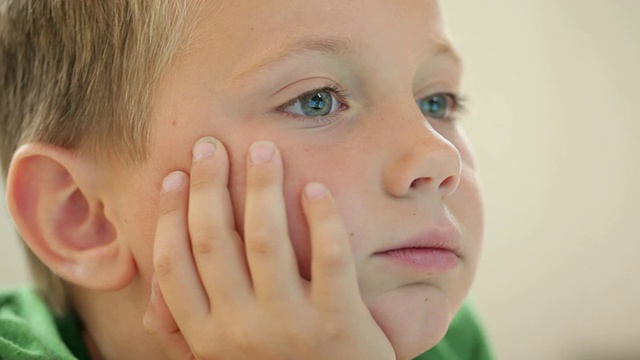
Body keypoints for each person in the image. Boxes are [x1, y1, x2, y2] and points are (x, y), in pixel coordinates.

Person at [0, 0, 493, 359]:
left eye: (438, 102)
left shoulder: (449, 340)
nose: (438, 155)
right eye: (315, 99)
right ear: (82, 214)